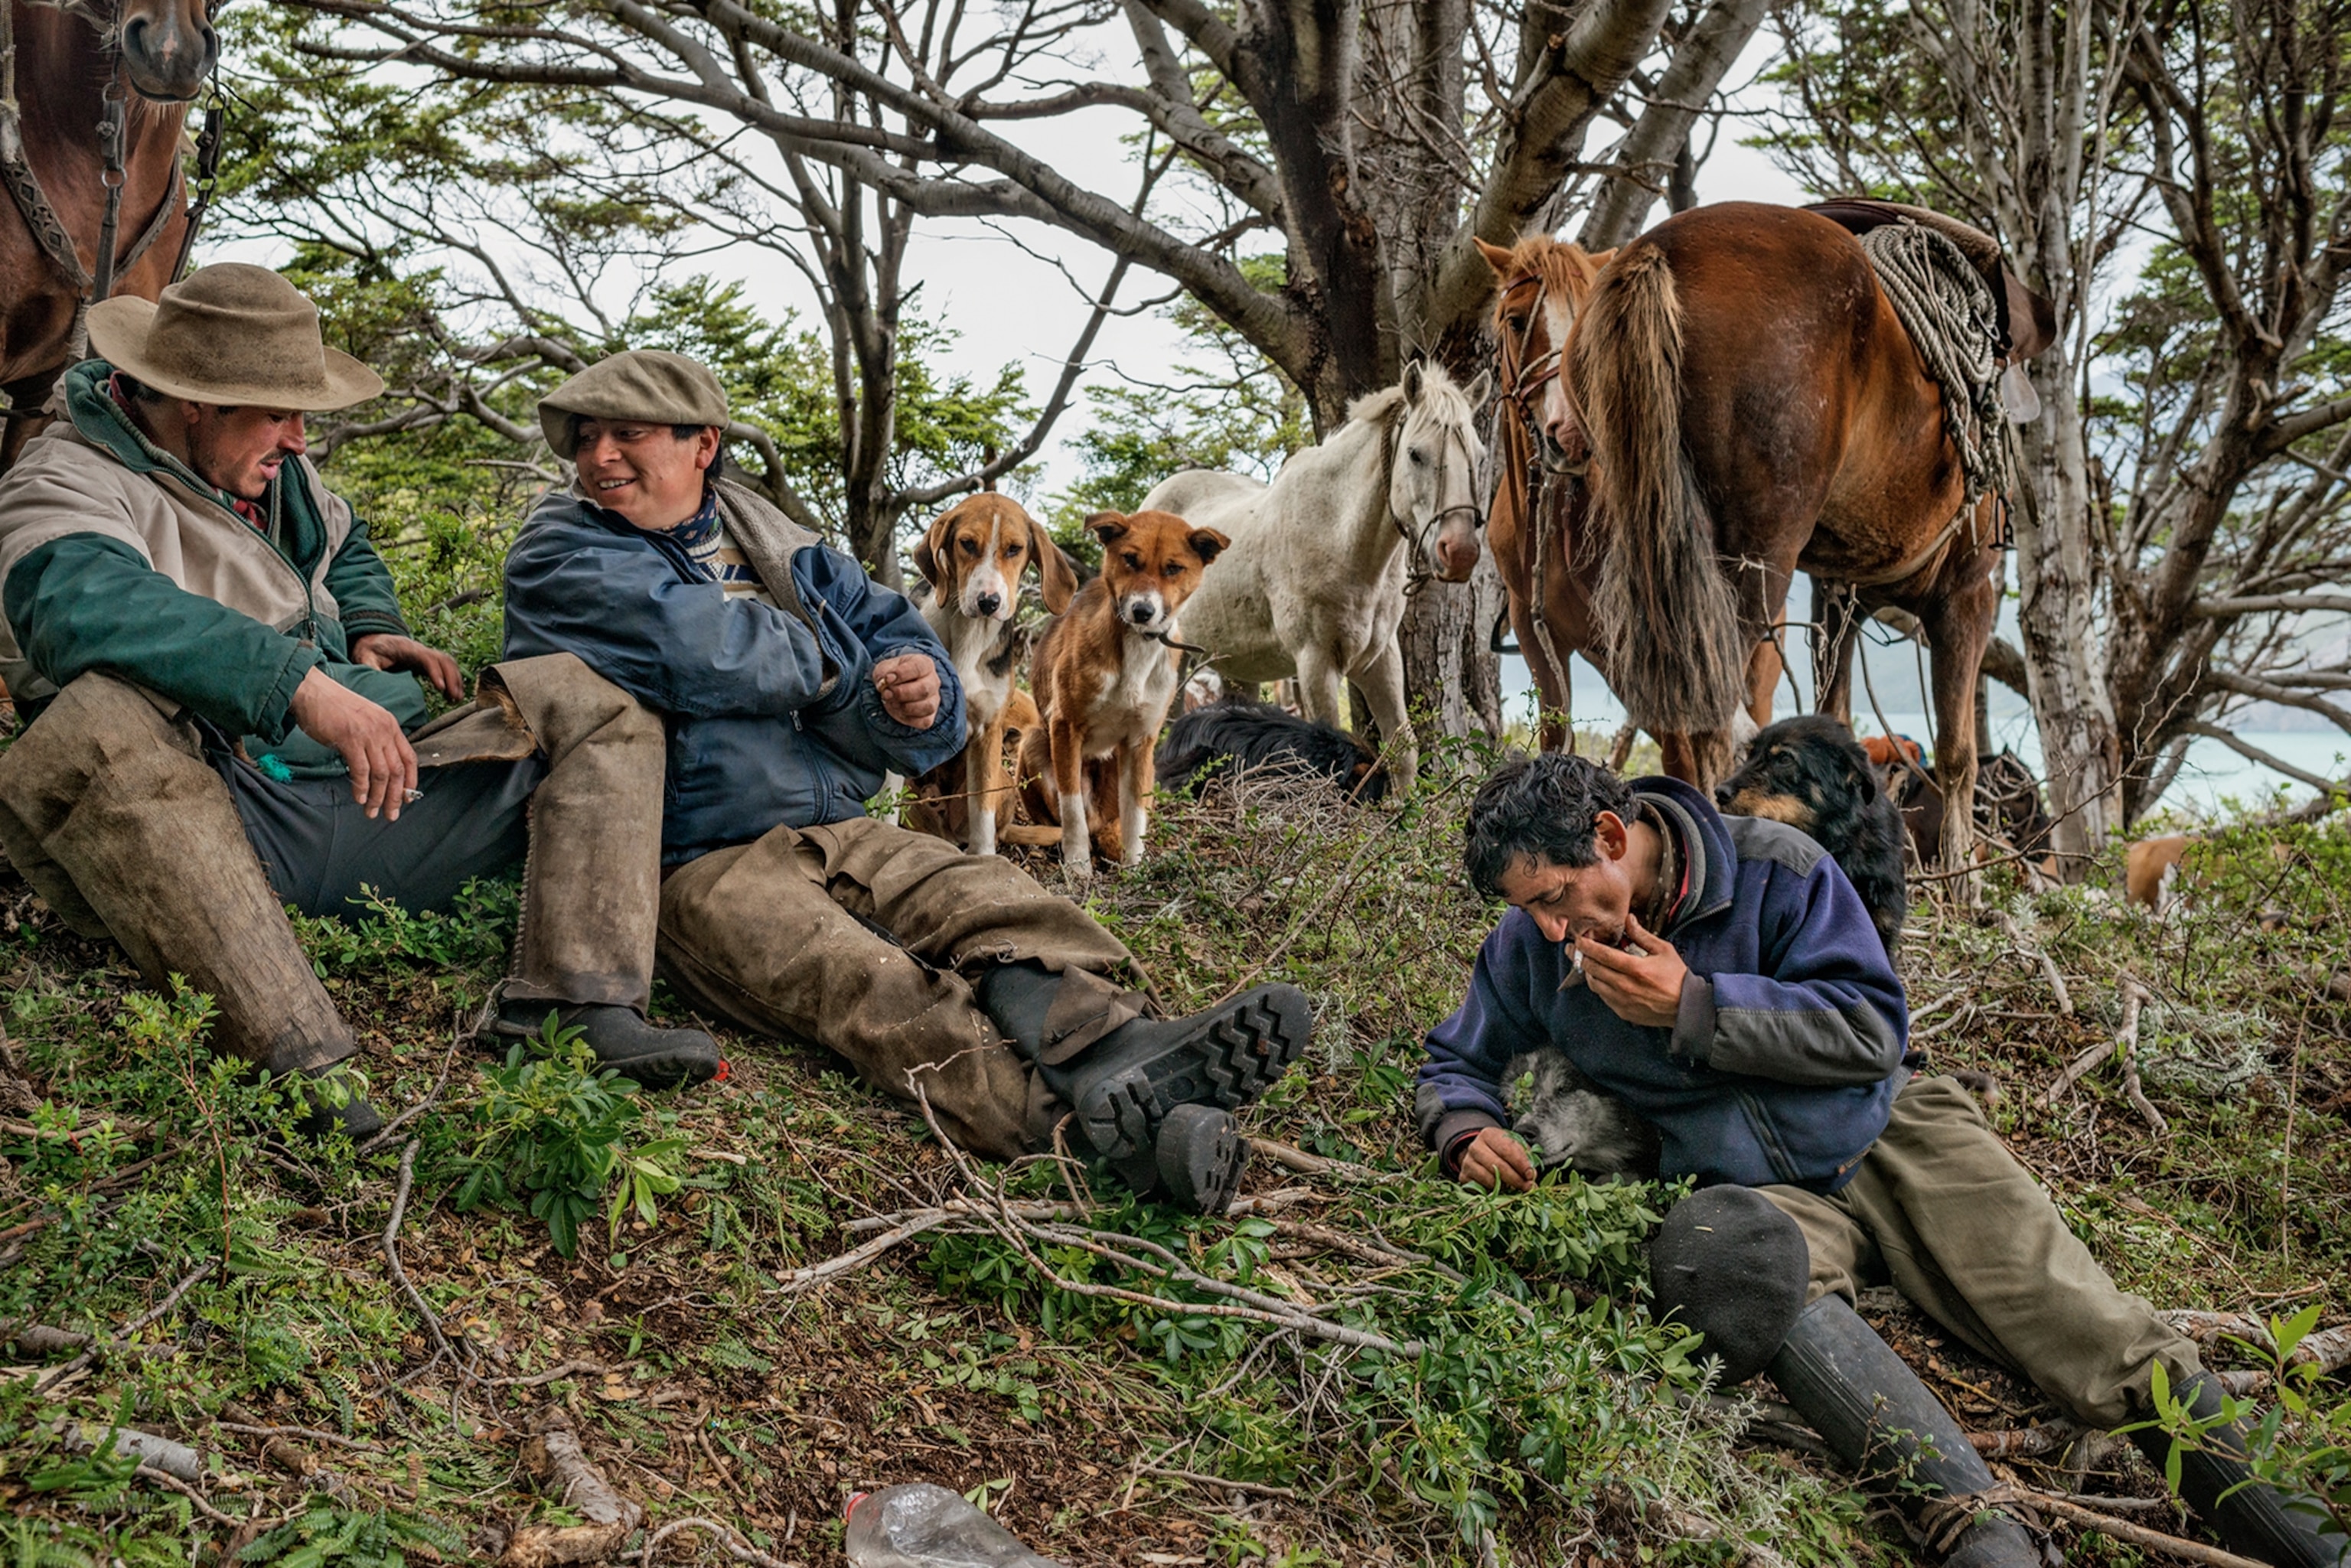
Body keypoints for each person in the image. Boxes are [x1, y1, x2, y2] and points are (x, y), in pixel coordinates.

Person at [1417, 753, 2342, 1568]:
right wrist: (1464, 1127)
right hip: (1758, 1184)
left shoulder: (1778, 870)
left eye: (1551, 898)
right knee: (1725, 1259)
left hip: (1893, 1130)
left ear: (1611, 836)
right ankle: (1986, 1533)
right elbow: (1456, 1057)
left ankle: (2316, 1541)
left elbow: (1871, 1031)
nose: (1546, 930)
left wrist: (1695, 1006)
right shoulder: (1528, 951)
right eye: (1526, 909)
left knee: (2099, 1336)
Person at [499, 349, 1310, 1214]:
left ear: (704, 444)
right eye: (586, 438)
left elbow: (901, 642)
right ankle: (1090, 1138)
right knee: (868, 982)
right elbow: (700, 649)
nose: (598, 458)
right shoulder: (562, 545)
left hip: (839, 820)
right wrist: (844, 667)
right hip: (697, 855)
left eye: (628, 435)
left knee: (993, 896)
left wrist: (915, 695)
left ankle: (1115, 1048)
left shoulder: (783, 545)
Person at [0, 265, 719, 1139]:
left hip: (372, 799)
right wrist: (297, 684)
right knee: (98, 726)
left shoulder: (273, 472)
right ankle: (299, 1064)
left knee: (592, 699)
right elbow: (77, 604)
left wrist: (373, 625)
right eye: (279, 413)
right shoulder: (64, 475)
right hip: (209, 834)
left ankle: (577, 1002)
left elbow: (346, 539)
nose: (301, 439)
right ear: (195, 401)